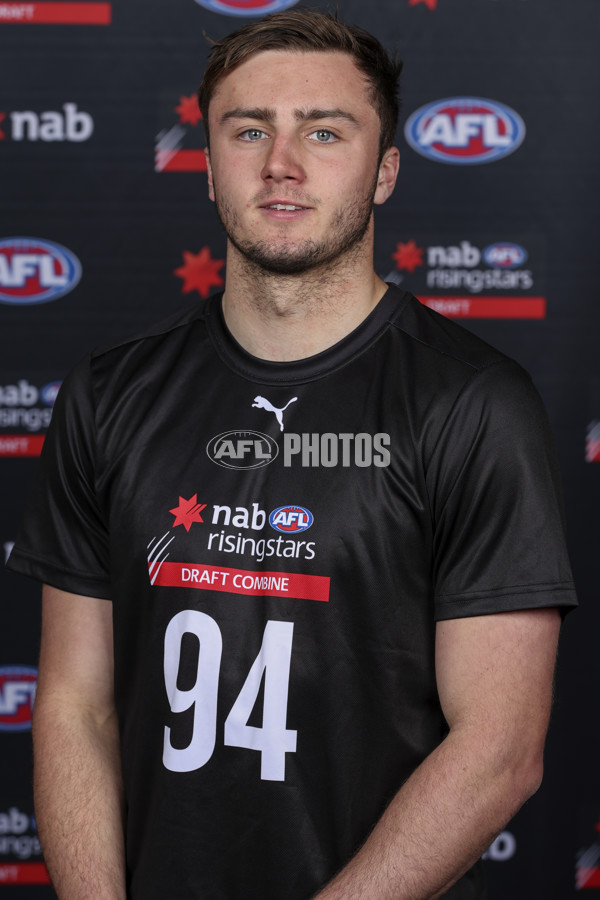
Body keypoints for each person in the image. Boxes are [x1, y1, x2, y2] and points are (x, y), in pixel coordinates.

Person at [8, 8, 577, 899]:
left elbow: (499, 752)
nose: (283, 162)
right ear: (208, 166)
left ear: (385, 169)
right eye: (248, 130)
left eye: (324, 130)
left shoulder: (471, 403)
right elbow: (75, 704)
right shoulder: (109, 393)